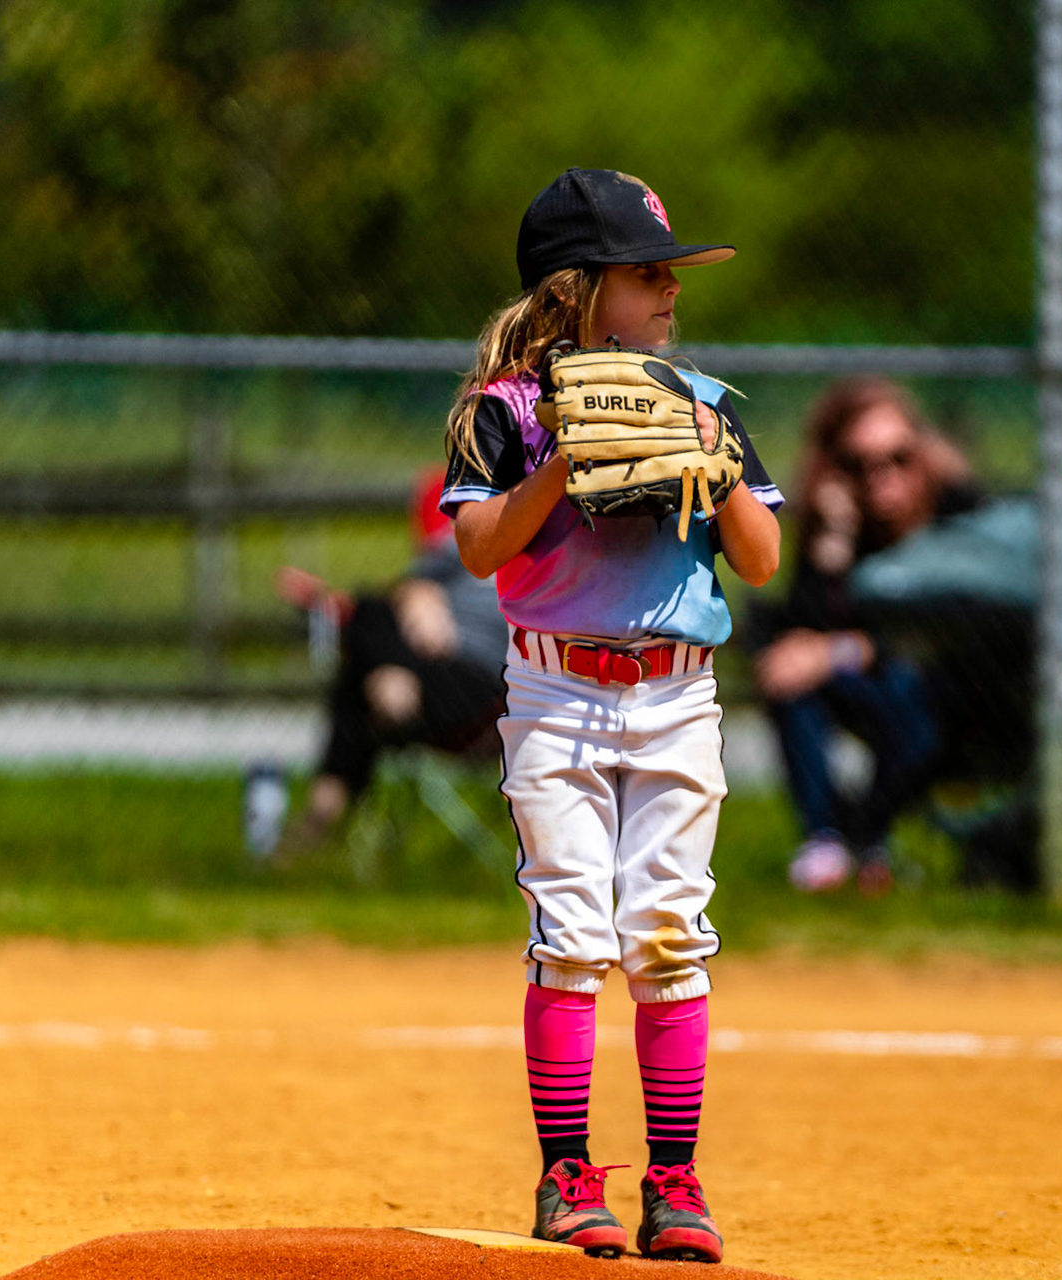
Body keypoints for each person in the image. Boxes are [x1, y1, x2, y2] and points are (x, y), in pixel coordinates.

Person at [440, 169, 781, 1263]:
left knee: (671, 937)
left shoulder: (708, 400)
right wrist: (561, 469)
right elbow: (482, 547)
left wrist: (713, 461)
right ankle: (565, 1171)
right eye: (647, 275)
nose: (671, 292)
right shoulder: (508, 411)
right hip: (556, 692)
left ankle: (675, 1179)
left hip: (679, 696)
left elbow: (763, 560)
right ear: (578, 289)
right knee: (574, 932)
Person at [749, 377, 980, 893]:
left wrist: (841, 650)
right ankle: (826, 841)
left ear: (921, 453)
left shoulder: (957, 509)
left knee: (899, 687)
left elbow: (957, 631)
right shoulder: (841, 525)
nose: (881, 477)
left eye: (898, 458)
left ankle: (867, 836)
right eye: (859, 464)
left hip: (954, 692)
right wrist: (832, 543)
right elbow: (806, 625)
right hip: (868, 680)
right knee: (790, 673)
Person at [272, 470, 509, 851]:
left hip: (483, 690)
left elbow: (389, 608)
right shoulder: (455, 556)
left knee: (370, 619)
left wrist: (411, 595)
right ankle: (390, 684)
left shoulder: (477, 545)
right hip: (435, 689)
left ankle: (320, 819)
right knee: (357, 685)